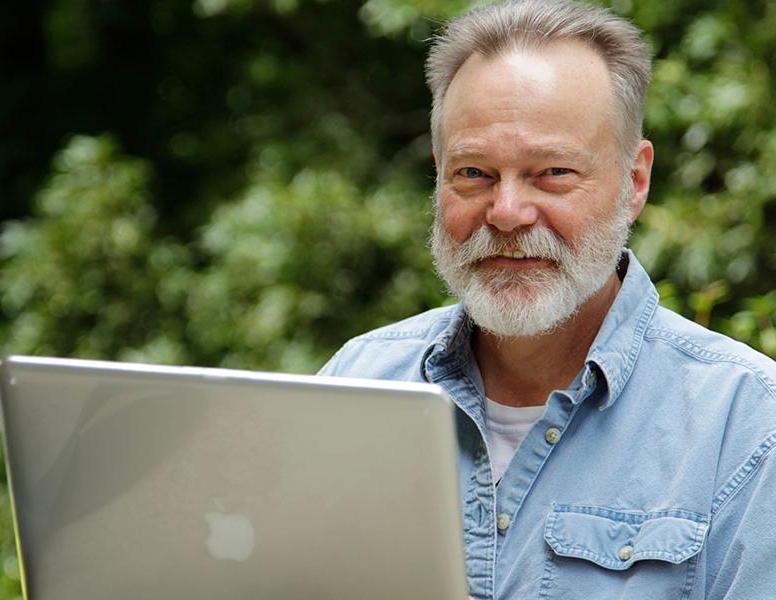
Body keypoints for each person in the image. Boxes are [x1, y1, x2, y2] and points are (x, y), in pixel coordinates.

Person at [318, 1, 776, 598]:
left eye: (553, 172)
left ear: (634, 181)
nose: (506, 212)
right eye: (474, 173)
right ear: (438, 175)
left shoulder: (745, 427)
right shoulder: (355, 386)